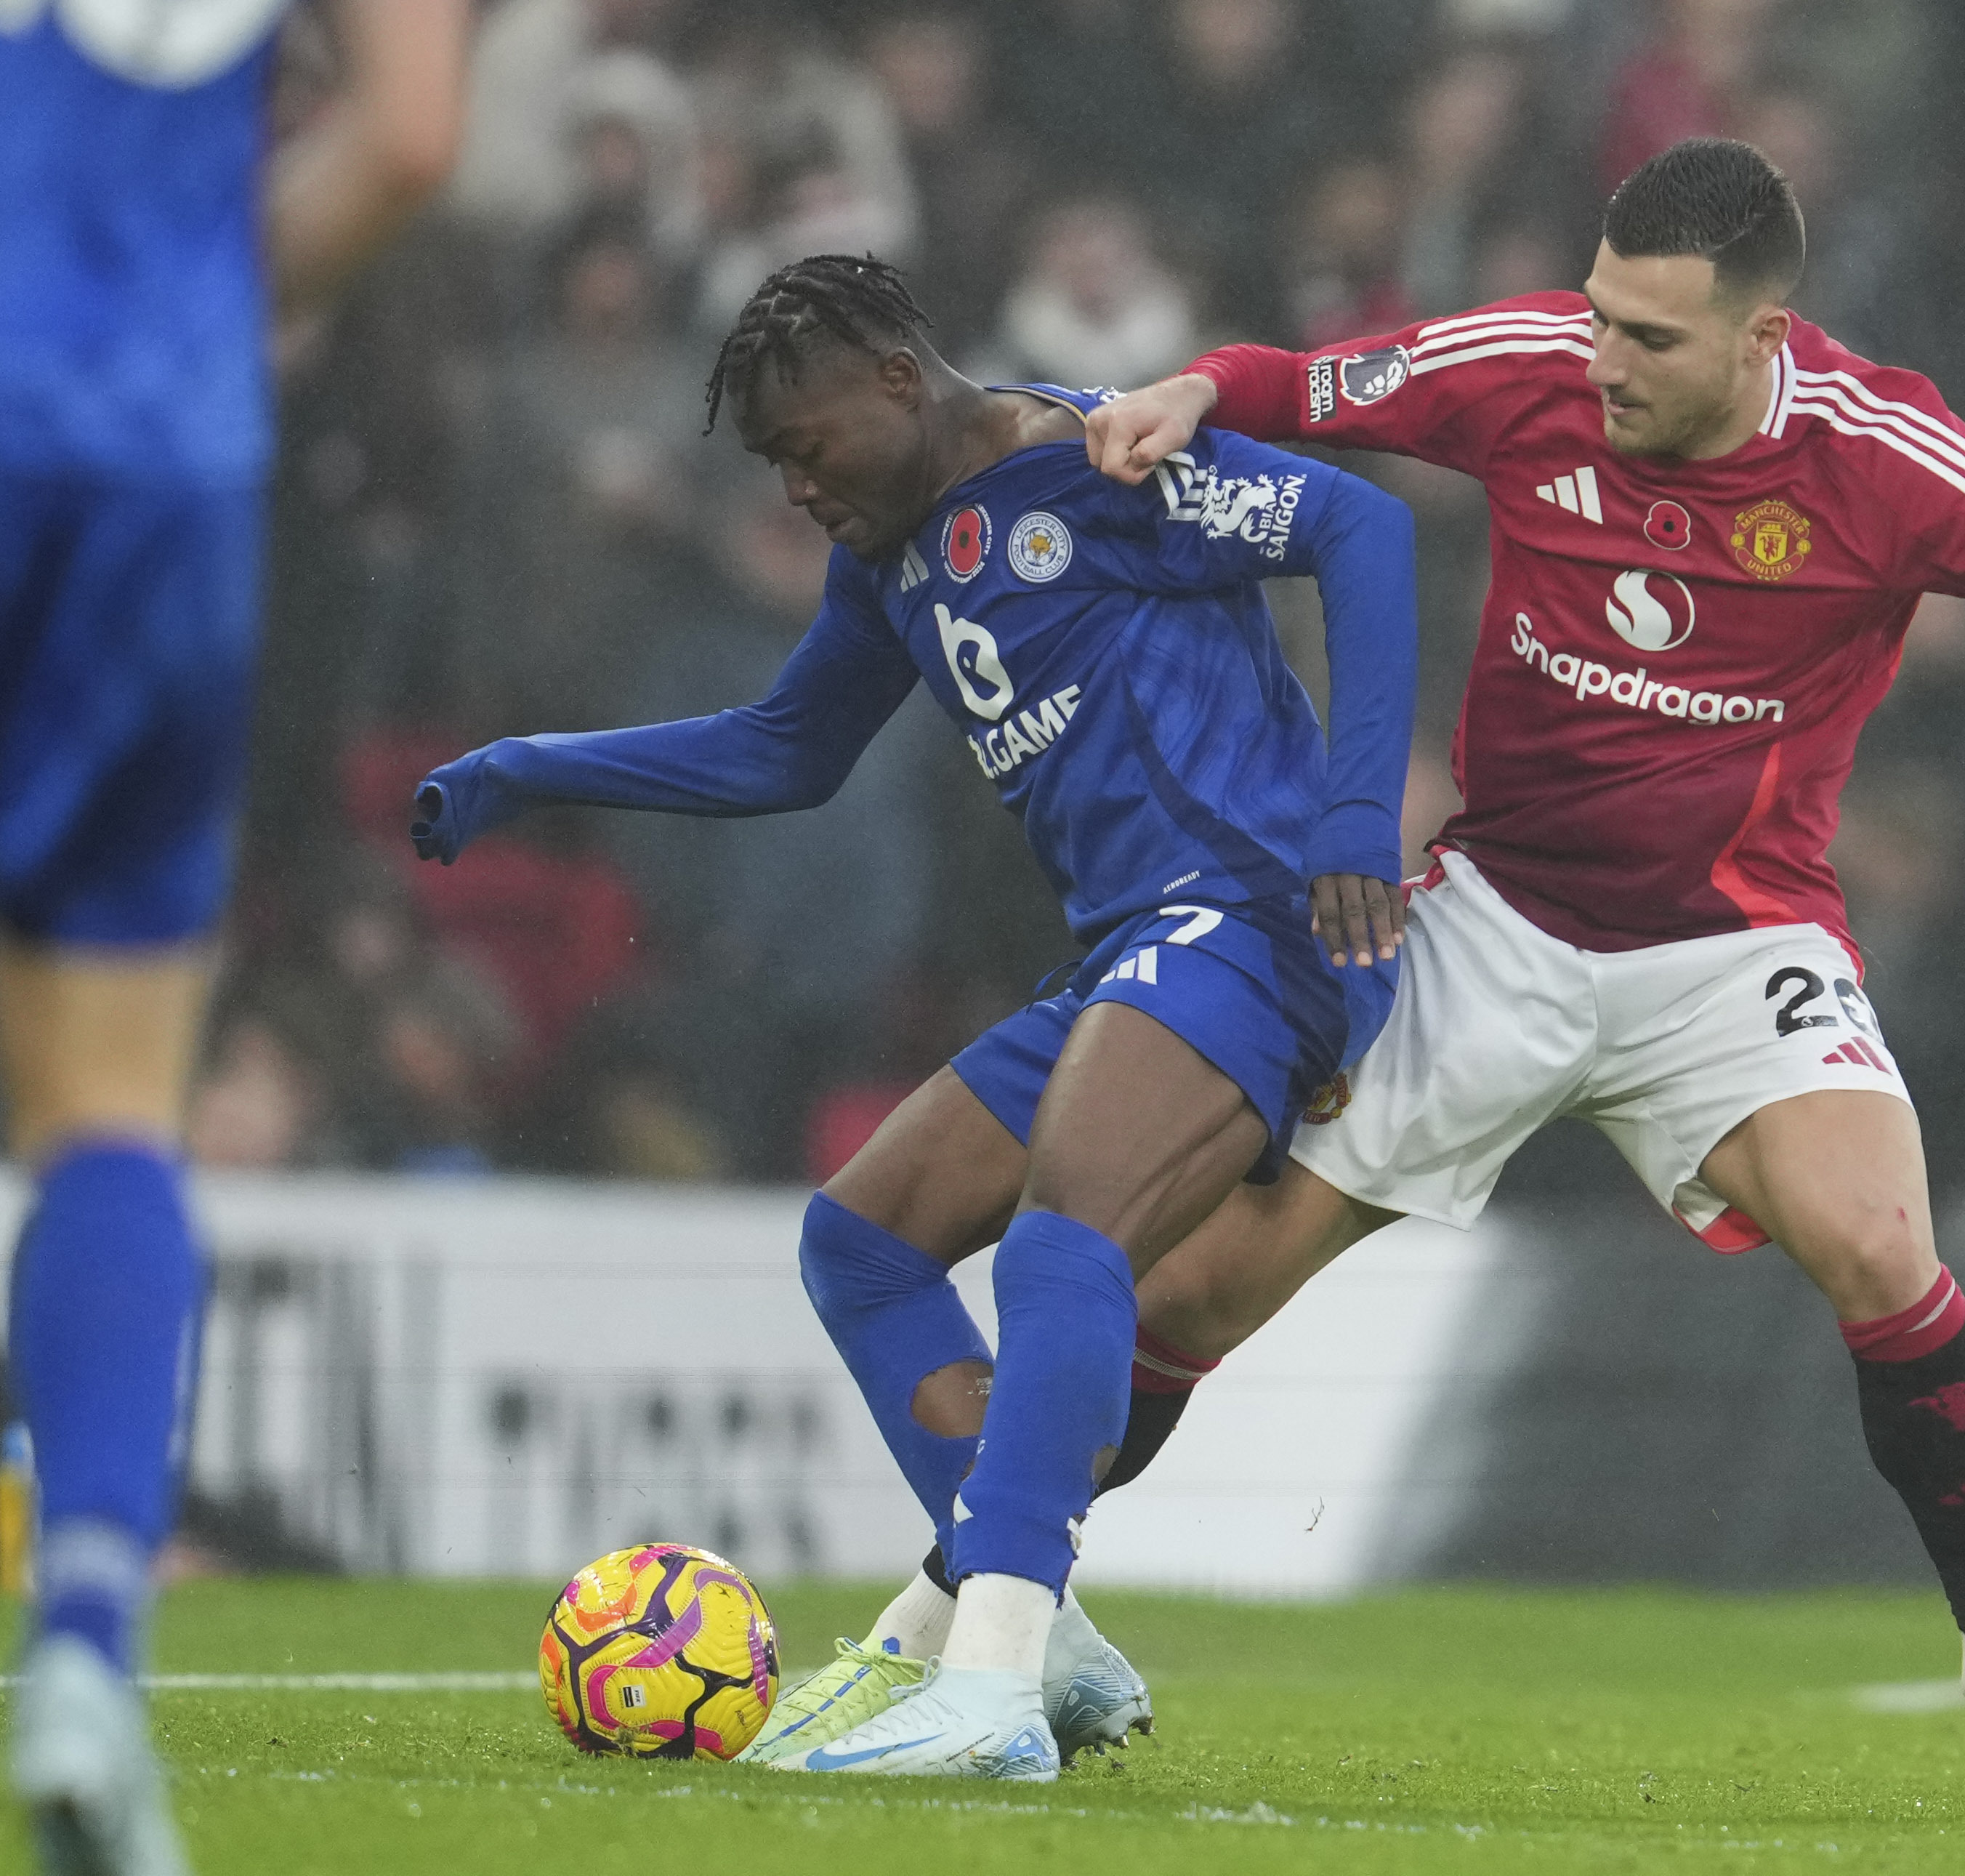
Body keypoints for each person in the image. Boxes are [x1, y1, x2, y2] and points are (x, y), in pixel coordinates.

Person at [1047, 137, 1965, 1824]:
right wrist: (1186, 390)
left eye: (1649, 340)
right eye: (1600, 317)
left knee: (1882, 1247)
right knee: (1196, 1299)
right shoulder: (1525, 368)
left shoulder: (1886, 453)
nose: (1603, 361)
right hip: (1495, 924)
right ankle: (986, 1611)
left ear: (1762, 337)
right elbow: (1304, 380)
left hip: (1737, 949)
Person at [407, 255, 1419, 1781]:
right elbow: (781, 749)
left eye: (804, 443)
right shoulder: (895, 561)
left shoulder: (1103, 463)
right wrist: (529, 765)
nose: (795, 484)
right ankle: (1046, 1633)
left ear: (894, 374)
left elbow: (1363, 522)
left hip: (1255, 911)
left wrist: (1356, 812)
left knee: (1061, 1236)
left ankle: (991, 1678)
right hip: (1132, 948)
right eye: (771, 466)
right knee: (863, 1236)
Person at [1, 5, 469, 1872]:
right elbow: (413, 136)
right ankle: (91, 1647)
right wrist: (185, 295)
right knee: (112, 1101)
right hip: (168, 468)